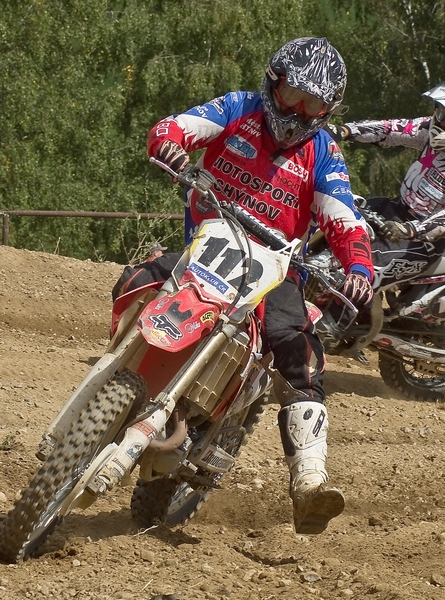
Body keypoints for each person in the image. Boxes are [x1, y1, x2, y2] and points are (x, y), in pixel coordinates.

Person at [114, 37, 374, 535]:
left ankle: (309, 482)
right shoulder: (238, 109)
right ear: (274, 84)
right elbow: (175, 127)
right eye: (293, 96)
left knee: (295, 347)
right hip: (208, 248)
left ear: (328, 110)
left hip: (274, 272)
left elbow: (345, 219)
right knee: (137, 280)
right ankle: (120, 378)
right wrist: (170, 146)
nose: (297, 112)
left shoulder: (323, 152)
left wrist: (359, 269)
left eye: (313, 105)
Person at [326, 76, 445, 288]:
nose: (442, 121)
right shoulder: (430, 129)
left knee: (354, 274)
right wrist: (344, 131)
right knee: (331, 214)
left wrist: (410, 230)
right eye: (441, 111)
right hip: (394, 210)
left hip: (424, 241)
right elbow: (391, 129)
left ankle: (337, 309)